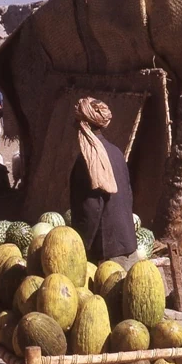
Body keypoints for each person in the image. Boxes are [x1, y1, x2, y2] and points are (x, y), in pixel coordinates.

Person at [70, 97, 138, 268]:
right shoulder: (116, 152)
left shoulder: (87, 159)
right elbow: (128, 196)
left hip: (107, 254)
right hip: (127, 244)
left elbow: (91, 207)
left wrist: (82, 246)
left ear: (82, 125)